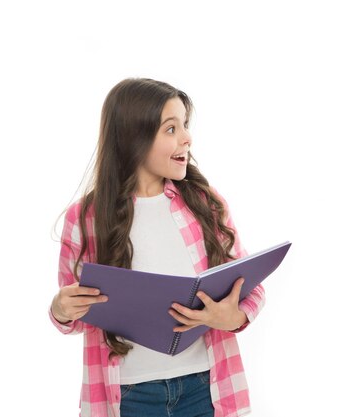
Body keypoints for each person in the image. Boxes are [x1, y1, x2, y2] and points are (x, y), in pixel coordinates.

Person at [49, 78, 265, 417]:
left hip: (205, 390)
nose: (186, 138)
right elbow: (75, 315)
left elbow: (251, 286)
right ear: (135, 137)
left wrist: (232, 316)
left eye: (185, 125)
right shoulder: (86, 218)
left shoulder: (205, 204)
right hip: (127, 397)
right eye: (170, 129)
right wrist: (61, 309)